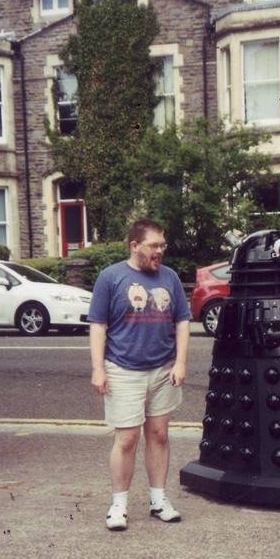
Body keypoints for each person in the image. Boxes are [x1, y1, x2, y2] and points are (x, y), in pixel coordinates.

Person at [88, 219, 191, 531]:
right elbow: (98, 325)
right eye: (154, 246)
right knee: (127, 438)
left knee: (159, 435)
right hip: (122, 369)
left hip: (162, 369)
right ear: (135, 246)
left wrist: (181, 363)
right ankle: (118, 506)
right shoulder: (111, 277)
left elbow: (183, 321)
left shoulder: (170, 277)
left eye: (162, 245)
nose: (159, 251)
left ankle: (158, 500)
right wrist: (97, 369)